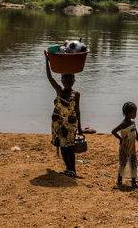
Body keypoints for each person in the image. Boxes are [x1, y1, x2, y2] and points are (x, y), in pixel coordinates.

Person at [44, 50, 83, 178]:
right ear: (61, 80)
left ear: (74, 80)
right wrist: (47, 60)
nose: (67, 80)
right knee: (62, 146)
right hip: (59, 124)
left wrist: (80, 128)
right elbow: (49, 77)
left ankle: (72, 170)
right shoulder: (59, 91)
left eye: (70, 78)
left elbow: (77, 110)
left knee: (70, 147)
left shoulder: (75, 94)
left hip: (71, 124)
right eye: (65, 78)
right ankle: (69, 169)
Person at [111, 102, 138, 188]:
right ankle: (119, 180)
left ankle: (134, 181)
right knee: (123, 163)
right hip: (125, 147)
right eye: (134, 112)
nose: (136, 114)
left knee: (133, 163)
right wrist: (121, 139)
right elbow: (113, 131)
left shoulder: (133, 123)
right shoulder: (124, 124)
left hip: (132, 147)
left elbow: (136, 134)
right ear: (128, 113)